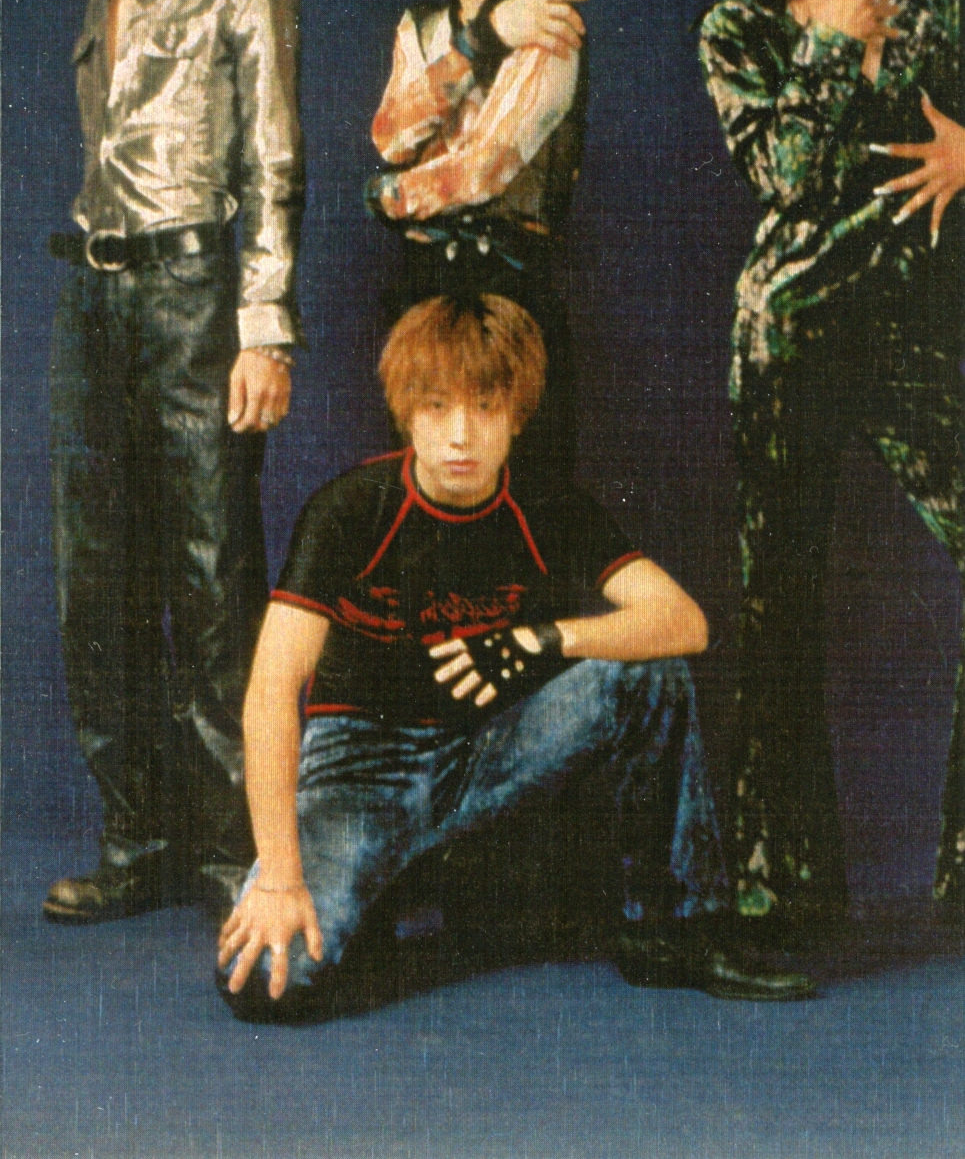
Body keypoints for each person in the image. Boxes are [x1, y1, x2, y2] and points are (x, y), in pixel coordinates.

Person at [216, 295, 812, 1021]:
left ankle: (671, 927)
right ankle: (379, 886)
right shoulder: (350, 510)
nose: (460, 435)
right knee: (267, 982)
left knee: (648, 674)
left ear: (517, 416)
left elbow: (683, 622)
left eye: (485, 407)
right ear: (406, 413)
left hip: (490, 749)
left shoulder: (546, 503)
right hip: (364, 768)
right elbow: (270, 692)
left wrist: (546, 639)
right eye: (436, 407)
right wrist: (281, 879)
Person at [698, 0, 964, 937]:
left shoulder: (941, 6)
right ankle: (782, 888)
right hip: (792, 328)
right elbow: (785, 178)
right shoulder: (737, 29)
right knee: (777, 599)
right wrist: (825, 45)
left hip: (913, 331)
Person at [43, 0, 305, 924]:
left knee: (211, 572)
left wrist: (265, 329)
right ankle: (137, 833)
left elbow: (274, 168)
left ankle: (232, 842)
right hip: (91, 293)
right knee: (94, 575)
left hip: (197, 292)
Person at [366, 0, 591, 473]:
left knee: (513, 491)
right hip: (417, 288)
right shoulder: (422, 24)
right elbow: (390, 134)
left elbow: (479, 173)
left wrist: (387, 198)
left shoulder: (549, 16)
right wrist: (484, 39)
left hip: (508, 291)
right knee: (419, 490)